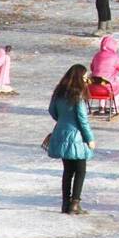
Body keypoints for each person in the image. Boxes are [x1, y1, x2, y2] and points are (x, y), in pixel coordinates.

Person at [47, 64, 95, 214]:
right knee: (80, 170)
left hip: (60, 133)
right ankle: (75, 203)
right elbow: (82, 119)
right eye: (85, 77)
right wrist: (90, 138)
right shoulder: (78, 95)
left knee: (67, 170)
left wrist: (62, 120)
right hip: (76, 137)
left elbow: (52, 111)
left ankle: (65, 203)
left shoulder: (59, 92)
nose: (87, 81)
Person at [89, 34, 119, 108]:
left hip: (94, 87)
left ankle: (101, 106)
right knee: (118, 80)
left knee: (100, 79)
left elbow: (92, 68)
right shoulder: (115, 57)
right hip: (108, 88)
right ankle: (115, 105)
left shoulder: (97, 55)